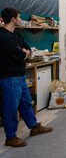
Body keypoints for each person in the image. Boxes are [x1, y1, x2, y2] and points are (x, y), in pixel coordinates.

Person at [0, 8, 53, 147]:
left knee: (27, 103)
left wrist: (24, 52)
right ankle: (10, 137)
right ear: (13, 19)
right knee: (11, 108)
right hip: (10, 78)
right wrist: (23, 53)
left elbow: (27, 49)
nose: (20, 19)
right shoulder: (3, 36)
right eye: (18, 17)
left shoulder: (16, 35)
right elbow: (21, 54)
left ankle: (34, 127)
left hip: (21, 76)